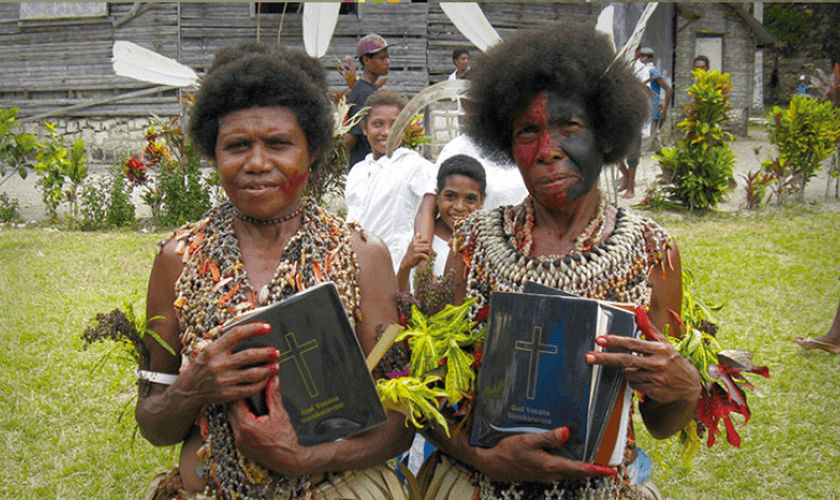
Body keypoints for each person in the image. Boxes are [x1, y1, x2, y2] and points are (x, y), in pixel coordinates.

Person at [417, 24, 702, 500]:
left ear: (607, 137)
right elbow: (424, 395)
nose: (547, 150)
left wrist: (685, 388)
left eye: (569, 126)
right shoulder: (472, 243)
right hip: (479, 485)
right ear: (507, 145)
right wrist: (486, 459)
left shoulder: (653, 252)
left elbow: (659, 422)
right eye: (528, 131)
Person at [136, 43, 412, 500]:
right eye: (237, 146)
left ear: (313, 151)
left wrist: (309, 458)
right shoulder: (178, 258)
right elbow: (154, 426)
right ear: (214, 152)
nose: (257, 163)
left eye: (278, 144)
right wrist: (195, 386)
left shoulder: (363, 256)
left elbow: (402, 425)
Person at [344, 89, 438, 275]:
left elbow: (427, 213)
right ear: (364, 128)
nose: (386, 132)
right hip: (357, 267)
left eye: (395, 124)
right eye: (377, 124)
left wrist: (423, 267)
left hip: (397, 266)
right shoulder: (358, 171)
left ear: (406, 128)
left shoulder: (415, 166)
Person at [397, 154, 486, 292]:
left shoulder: (485, 245)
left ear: (482, 200)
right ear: (437, 196)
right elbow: (399, 298)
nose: (459, 207)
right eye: (450, 196)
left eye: (470, 199)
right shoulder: (415, 243)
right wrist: (405, 266)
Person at [344, 33, 392, 170]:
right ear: (366, 60)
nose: (387, 62)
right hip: (366, 167)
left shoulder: (369, 89)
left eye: (387, 57)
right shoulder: (363, 93)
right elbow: (351, 139)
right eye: (382, 58)